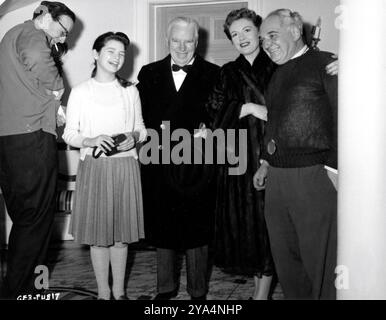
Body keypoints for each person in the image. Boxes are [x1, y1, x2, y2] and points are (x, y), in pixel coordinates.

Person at [254, 9, 338, 299]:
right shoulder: (276, 74)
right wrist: (266, 161)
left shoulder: (325, 63)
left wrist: (335, 169)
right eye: (263, 40)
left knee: (321, 267)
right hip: (277, 178)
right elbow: (275, 121)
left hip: (314, 176)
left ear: (294, 30)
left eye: (272, 36)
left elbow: (346, 115)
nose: (266, 45)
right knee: (287, 264)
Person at [137, 17, 220, 300]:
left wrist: (210, 129)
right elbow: (138, 117)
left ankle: (198, 292)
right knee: (163, 226)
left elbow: (221, 115)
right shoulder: (148, 73)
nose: (182, 47)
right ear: (167, 41)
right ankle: (165, 288)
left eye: (188, 41)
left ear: (197, 42)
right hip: (158, 161)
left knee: (198, 228)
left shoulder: (214, 73)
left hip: (197, 163)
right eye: (176, 41)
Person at [63, 32, 147, 300]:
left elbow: (141, 130)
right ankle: (102, 294)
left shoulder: (130, 91)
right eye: (111, 51)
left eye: (122, 53)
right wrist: (91, 139)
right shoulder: (80, 91)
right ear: (96, 54)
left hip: (125, 168)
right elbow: (69, 134)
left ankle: (120, 294)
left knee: (121, 238)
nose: (117, 58)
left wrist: (132, 138)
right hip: (95, 169)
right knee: (99, 237)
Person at [0, 1, 75, 299]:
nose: (62, 38)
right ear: (44, 16)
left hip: (9, 140)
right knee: (37, 220)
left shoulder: (9, 36)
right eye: (62, 29)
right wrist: (57, 90)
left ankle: (21, 288)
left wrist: (51, 105)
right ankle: (23, 293)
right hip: (31, 139)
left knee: (24, 219)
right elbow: (36, 57)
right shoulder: (33, 35)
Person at [206, 8, 276, 300]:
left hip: (271, 155)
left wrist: (262, 111)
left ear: (258, 31)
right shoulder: (228, 71)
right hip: (236, 160)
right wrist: (246, 108)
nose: (241, 38)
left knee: (268, 226)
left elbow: (288, 112)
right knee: (247, 229)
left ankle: (261, 295)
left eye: (246, 30)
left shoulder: (277, 65)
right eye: (235, 34)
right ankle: (259, 292)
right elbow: (212, 113)